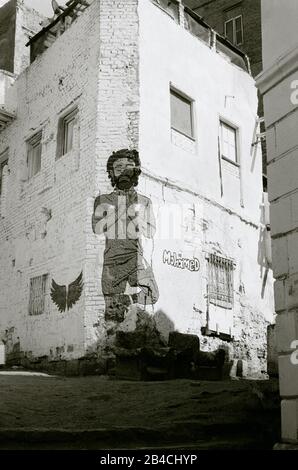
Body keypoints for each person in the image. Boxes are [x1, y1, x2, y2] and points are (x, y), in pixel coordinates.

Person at [92, 149, 159, 322]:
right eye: (118, 167)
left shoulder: (144, 201)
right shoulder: (103, 200)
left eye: (129, 166)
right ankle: (111, 345)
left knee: (152, 293)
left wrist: (137, 217)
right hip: (112, 262)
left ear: (136, 170)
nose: (124, 171)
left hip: (135, 259)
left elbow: (151, 231)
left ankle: (127, 301)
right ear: (112, 173)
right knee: (112, 318)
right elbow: (97, 229)